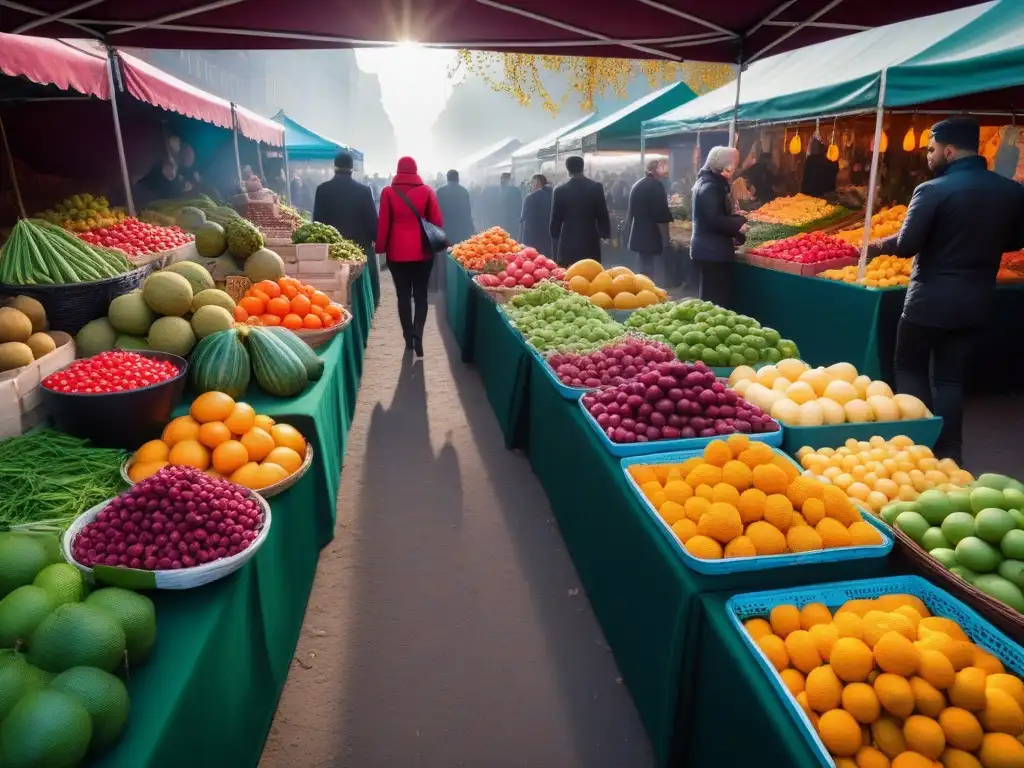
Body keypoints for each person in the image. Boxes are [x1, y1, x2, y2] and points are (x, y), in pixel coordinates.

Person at [868, 117, 1024, 464]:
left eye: (931, 149)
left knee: (909, 367)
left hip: (929, 299)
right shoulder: (1012, 190)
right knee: (951, 379)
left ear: (949, 151)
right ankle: (951, 452)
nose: (928, 156)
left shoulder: (931, 190)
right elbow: (1015, 240)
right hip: (977, 299)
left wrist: (876, 244)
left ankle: (917, 447)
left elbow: (908, 244)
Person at [375, 156, 444, 357]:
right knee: (421, 295)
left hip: (397, 253)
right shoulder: (427, 191)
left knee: (402, 295)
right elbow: (438, 220)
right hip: (422, 252)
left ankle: (407, 339)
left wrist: (380, 248)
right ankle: (418, 335)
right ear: (415, 170)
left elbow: (384, 223)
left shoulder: (388, 192)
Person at [690, 146, 747, 308]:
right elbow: (714, 219)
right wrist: (739, 223)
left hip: (708, 249)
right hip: (712, 252)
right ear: (724, 166)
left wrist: (734, 216)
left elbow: (715, 214)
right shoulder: (711, 187)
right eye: (733, 165)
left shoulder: (709, 181)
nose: (734, 169)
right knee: (715, 300)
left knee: (710, 297)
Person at [312, 151, 379, 255]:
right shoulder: (364, 191)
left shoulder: (322, 189)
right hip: (358, 249)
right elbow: (371, 220)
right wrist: (376, 239)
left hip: (332, 249)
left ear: (335, 168)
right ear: (351, 169)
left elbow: (317, 221)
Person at [549, 155, 611, 266]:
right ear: (583, 168)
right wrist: (605, 235)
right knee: (591, 270)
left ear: (568, 170)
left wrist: (555, 236)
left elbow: (556, 219)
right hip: (590, 237)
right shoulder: (595, 187)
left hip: (568, 239)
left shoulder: (560, 191)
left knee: (569, 270)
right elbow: (602, 213)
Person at [626, 159, 673, 287]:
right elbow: (661, 214)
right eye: (663, 167)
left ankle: (642, 289)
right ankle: (650, 292)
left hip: (638, 232)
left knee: (643, 266)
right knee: (652, 270)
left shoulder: (637, 184)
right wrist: (666, 239)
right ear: (656, 169)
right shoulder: (656, 186)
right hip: (651, 234)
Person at [436, 169, 475, 245]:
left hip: (446, 227)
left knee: (447, 251)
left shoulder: (440, 191)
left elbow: (437, 210)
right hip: (460, 228)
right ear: (458, 178)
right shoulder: (464, 191)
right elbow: (467, 211)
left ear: (447, 178)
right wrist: (470, 227)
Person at [519, 174, 553, 256]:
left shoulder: (530, 197)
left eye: (531, 183)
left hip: (532, 235)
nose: (530, 185)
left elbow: (523, 218)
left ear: (537, 182)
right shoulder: (552, 195)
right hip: (547, 235)